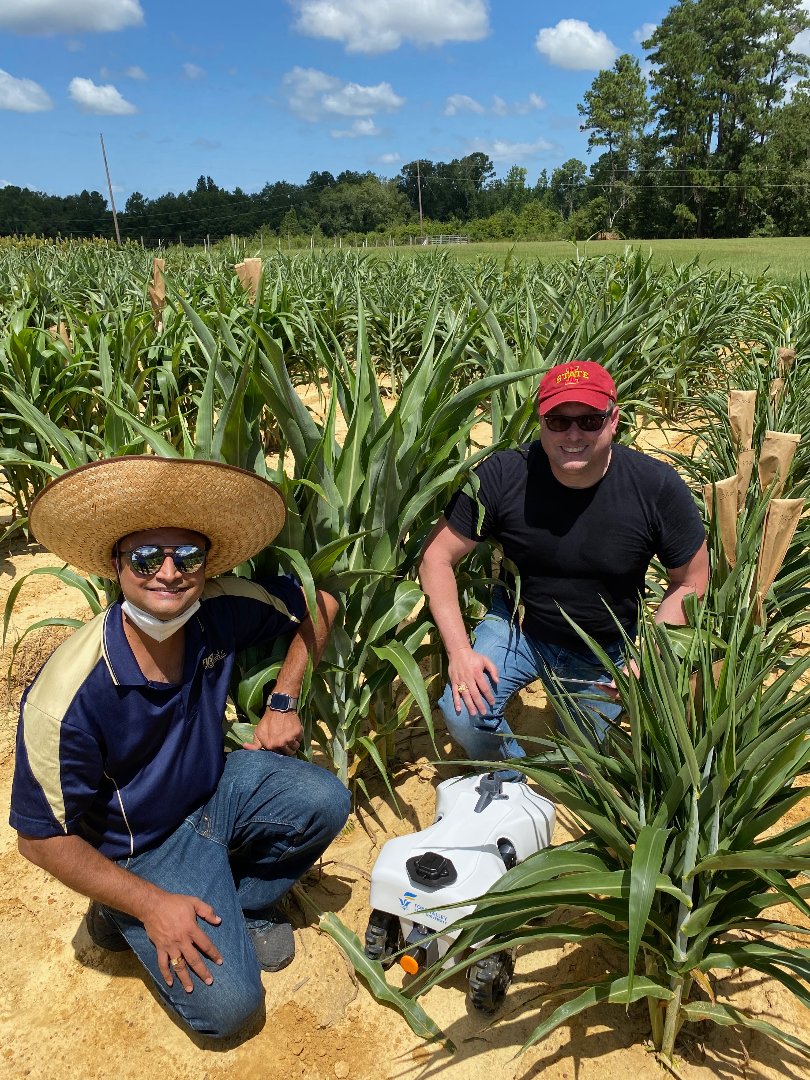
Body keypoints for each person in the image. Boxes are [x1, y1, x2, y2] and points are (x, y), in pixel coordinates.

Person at [9, 456, 350, 1039]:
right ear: (116, 565)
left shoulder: (216, 609)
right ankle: (120, 914)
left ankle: (242, 902)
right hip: (140, 850)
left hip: (213, 795)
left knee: (323, 798)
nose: (169, 572)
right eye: (146, 557)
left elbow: (322, 603)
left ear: (205, 565)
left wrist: (283, 698)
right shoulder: (67, 696)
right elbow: (40, 839)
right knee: (233, 1011)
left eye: (187, 556)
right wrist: (149, 904)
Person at [418, 360, 709, 765]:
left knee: (590, 764)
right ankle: (511, 778)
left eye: (589, 420)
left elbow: (692, 581)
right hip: (519, 628)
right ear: (540, 420)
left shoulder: (655, 487)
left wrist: (651, 655)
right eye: (558, 421)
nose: (573, 434)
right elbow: (436, 557)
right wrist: (459, 652)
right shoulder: (504, 474)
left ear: (614, 420)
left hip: (603, 646)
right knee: (465, 714)